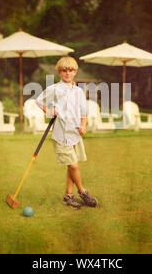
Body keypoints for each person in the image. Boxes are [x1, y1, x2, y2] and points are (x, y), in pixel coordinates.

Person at [36, 56, 98, 210]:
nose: (67, 73)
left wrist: (83, 125)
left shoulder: (78, 91)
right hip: (62, 135)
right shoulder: (55, 89)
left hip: (75, 134)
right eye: (64, 71)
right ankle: (82, 191)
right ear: (59, 72)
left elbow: (84, 112)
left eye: (70, 70)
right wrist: (50, 110)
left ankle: (68, 196)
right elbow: (38, 101)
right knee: (74, 166)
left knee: (71, 167)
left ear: (75, 72)